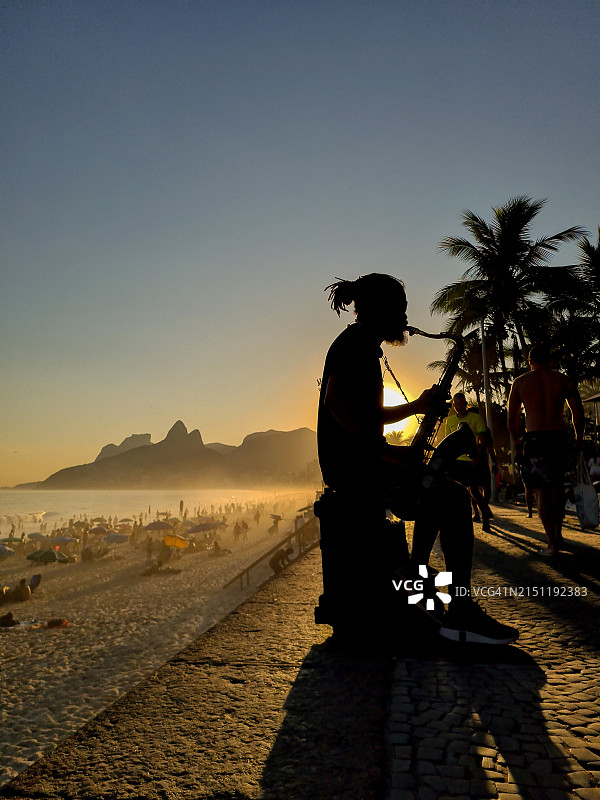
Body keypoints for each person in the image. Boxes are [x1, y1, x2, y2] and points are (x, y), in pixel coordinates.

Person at [318, 273, 518, 644]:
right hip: (355, 469)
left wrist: (415, 410)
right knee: (453, 496)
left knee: (434, 483)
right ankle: (460, 609)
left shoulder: (362, 344)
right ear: (382, 309)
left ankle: (416, 577)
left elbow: (363, 413)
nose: (406, 317)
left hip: (357, 462)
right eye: (402, 308)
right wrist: (380, 447)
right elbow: (335, 401)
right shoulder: (356, 342)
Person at [508, 344, 585, 556]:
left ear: (530, 362)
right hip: (559, 438)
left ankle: (551, 543)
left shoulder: (520, 383)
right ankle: (559, 537)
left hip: (535, 439)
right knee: (558, 489)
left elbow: (512, 418)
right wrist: (579, 438)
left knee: (541, 492)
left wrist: (516, 442)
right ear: (550, 361)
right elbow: (577, 412)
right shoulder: (563, 380)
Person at [445, 393, 492, 531]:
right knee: (451, 493)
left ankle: (485, 518)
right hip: (456, 462)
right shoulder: (449, 421)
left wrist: (476, 458)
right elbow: (448, 443)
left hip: (472, 462)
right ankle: (454, 524)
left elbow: (483, 441)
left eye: (461, 402)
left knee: (475, 492)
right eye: (456, 403)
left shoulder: (476, 418)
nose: (459, 405)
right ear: (453, 405)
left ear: (465, 403)